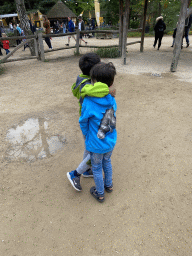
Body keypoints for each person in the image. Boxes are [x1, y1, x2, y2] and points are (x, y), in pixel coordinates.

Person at [67, 53, 116, 192]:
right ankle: (76, 173)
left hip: (91, 121)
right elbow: (103, 89)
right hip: (90, 124)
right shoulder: (88, 86)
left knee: (89, 150)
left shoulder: (80, 78)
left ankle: (86, 170)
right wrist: (109, 89)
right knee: (92, 152)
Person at [79, 62, 117, 202]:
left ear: (93, 81)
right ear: (111, 82)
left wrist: (86, 135)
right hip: (110, 140)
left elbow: (83, 121)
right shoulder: (112, 98)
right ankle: (109, 185)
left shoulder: (88, 101)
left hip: (96, 143)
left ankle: (100, 193)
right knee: (107, 161)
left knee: (96, 167)